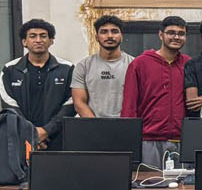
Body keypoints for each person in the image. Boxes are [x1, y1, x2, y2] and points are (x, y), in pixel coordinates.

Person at [122, 17, 189, 164]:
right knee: (149, 178)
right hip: (148, 140)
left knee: (183, 179)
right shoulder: (140, 64)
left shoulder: (189, 64)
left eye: (181, 33)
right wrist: (129, 139)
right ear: (161, 35)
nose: (176, 37)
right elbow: (129, 105)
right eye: (171, 32)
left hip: (182, 140)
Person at [2, 18, 74, 152]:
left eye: (43, 36)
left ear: (51, 41)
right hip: (21, 140)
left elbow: (71, 104)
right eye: (33, 36)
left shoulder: (67, 69)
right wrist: (32, 133)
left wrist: (46, 131)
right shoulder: (10, 70)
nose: (38, 40)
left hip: (58, 139)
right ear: (24, 42)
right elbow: (9, 104)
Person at [72, 15, 133, 119]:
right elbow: (79, 102)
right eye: (104, 32)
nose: (110, 36)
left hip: (127, 125)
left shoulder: (134, 65)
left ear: (121, 36)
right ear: (97, 37)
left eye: (114, 31)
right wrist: (97, 125)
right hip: (93, 125)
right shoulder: (83, 66)